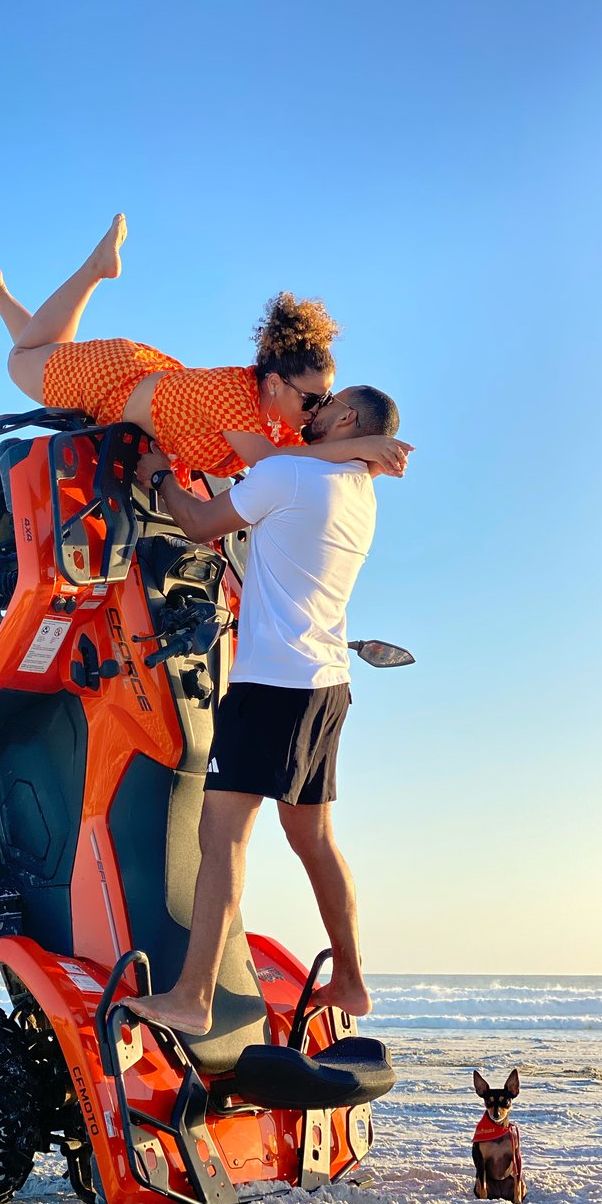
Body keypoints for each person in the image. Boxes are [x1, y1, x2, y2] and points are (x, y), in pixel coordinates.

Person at [125, 387, 404, 1035]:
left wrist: (161, 474)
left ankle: (191, 997)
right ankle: (353, 979)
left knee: (221, 836)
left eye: (323, 406)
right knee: (314, 839)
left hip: (271, 685)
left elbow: (197, 524)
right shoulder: (360, 495)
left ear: (346, 421)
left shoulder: (288, 475)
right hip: (327, 685)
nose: (309, 414)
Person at [0, 215, 412, 480]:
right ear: (275, 382)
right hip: (110, 378)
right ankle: (91, 269)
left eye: (324, 402)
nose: (316, 412)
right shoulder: (237, 399)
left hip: (140, 379)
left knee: (41, 350)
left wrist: (369, 461)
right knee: (22, 361)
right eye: (313, 400)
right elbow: (269, 464)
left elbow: (325, 464)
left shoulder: (280, 421)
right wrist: (371, 442)